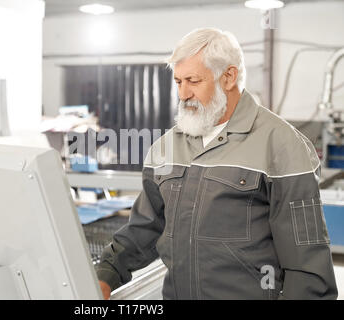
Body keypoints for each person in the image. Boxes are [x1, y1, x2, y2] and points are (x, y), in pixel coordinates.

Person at [95, 27, 338, 300]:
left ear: (229, 77)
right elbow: (146, 226)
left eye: (193, 81)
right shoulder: (166, 146)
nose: (183, 93)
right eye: (178, 81)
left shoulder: (282, 145)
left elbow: (307, 268)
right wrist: (107, 274)